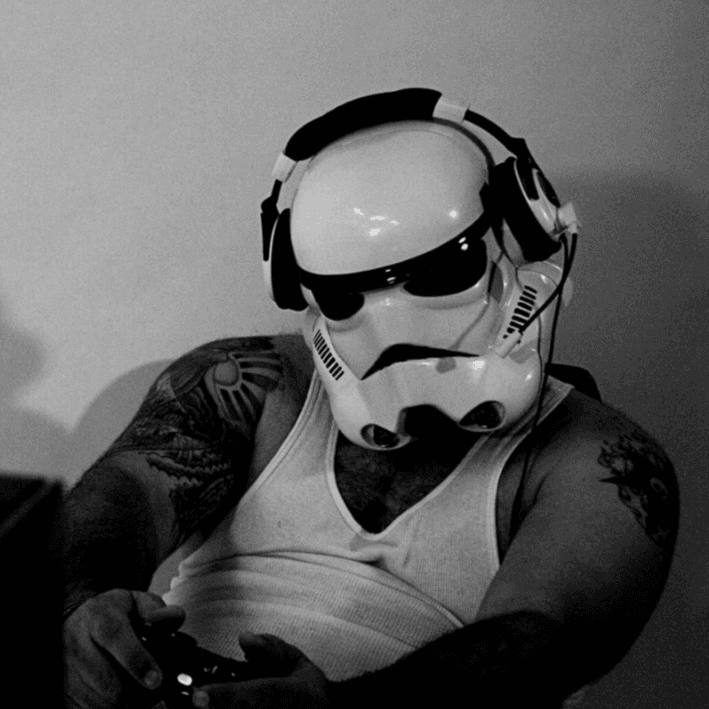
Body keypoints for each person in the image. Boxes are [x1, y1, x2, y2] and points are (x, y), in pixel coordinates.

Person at [63, 89, 679, 709]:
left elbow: (540, 644)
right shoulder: (253, 384)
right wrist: (86, 610)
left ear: (521, 239)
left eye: (440, 275)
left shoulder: (597, 458)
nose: (396, 329)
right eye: (346, 297)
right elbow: (125, 494)